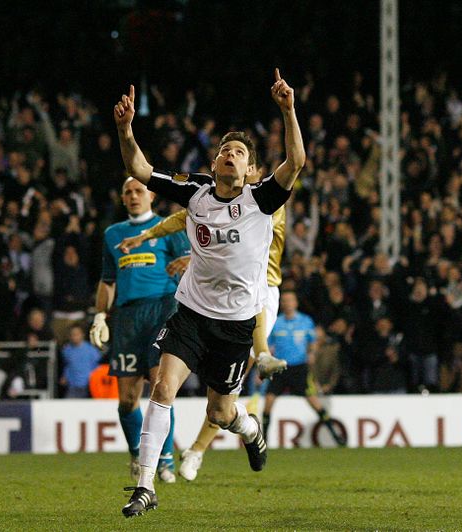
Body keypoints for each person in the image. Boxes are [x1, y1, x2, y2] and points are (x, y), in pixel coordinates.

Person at [114, 69, 304, 517]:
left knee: (221, 414)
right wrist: (125, 129)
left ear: (252, 168)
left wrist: (289, 109)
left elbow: (295, 162)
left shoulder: (263, 199)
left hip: (237, 323)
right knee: (162, 385)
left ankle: (251, 430)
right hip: (192, 314)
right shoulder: (195, 191)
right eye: (224, 151)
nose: (229, 156)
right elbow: (139, 169)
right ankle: (145, 485)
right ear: (214, 162)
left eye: (238, 152)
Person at [117, 167, 289, 482]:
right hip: (210, 300)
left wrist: (196, 257)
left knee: (226, 399)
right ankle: (236, 430)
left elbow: (237, 246)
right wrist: (147, 236)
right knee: (204, 401)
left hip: (261, 289)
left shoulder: (266, 202)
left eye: (246, 160)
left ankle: (197, 448)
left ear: (254, 170)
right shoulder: (211, 197)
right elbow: (184, 220)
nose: (240, 166)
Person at [90, 175, 190, 484]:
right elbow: (108, 280)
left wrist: (185, 261)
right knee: (127, 400)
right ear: (123, 199)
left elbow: (193, 260)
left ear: (151, 196)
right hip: (128, 317)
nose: (133, 195)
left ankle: (166, 462)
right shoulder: (113, 235)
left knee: (161, 386)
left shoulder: (169, 227)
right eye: (128, 192)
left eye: (139, 190)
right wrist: (99, 316)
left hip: (163, 310)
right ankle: (137, 452)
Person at [263, 290, 346, 444]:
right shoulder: (276, 322)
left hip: (299, 368)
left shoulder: (305, 321)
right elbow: (269, 345)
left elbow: (313, 341)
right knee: (268, 401)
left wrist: (312, 352)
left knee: (313, 401)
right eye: (285, 300)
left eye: (290, 300)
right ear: (281, 304)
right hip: (280, 368)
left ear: (295, 303)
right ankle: (263, 440)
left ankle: (334, 434)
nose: (287, 303)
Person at [60, 324, 101, 398]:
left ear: (82, 335)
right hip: (72, 386)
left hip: (88, 385)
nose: (75, 337)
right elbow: (66, 365)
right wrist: (65, 376)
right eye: (73, 334)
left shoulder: (92, 350)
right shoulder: (66, 350)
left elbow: (97, 368)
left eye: (77, 334)